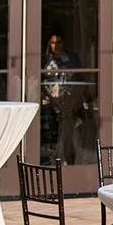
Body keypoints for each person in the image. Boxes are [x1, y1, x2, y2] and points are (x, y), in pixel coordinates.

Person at [41, 33, 81, 164]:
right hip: (50, 102)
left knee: (68, 132)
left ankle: (68, 161)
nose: (56, 45)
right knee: (53, 134)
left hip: (69, 100)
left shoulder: (71, 58)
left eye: (59, 42)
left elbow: (79, 78)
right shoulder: (45, 59)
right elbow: (38, 79)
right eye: (53, 42)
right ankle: (53, 161)